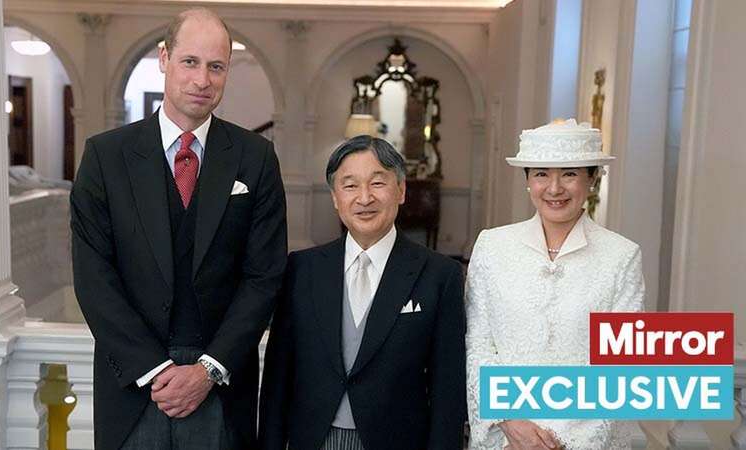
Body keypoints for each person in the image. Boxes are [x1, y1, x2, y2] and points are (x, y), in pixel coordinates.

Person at [70, 7, 287, 450]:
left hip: (222, 388)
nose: (202, 80)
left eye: (216, 67)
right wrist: (157, 370)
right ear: (165, 58)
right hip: (132, 387)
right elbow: (94, 279)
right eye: (190, 62)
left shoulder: (256, 158)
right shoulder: (105, 158)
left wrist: (208, 370)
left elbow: (264, 277)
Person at [259, 135, 466, 450]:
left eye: (378, 183)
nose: (364, 197)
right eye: (350, 185)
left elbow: (447, 387)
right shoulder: (302, 270)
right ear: (334, 197)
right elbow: (277, 377)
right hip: (313, 438)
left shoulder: (440, 275)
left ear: (401, 190)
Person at [465, 119, 644, 450]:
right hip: (505, 439)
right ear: (528, 180)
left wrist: (555, 441)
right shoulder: (492, 246)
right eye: (541, 173)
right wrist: (512, 425)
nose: (554, 188)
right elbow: (478, 346)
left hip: (583, 440)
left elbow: (620, 363)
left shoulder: (622, 256)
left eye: (570, 173)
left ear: (592, 179)